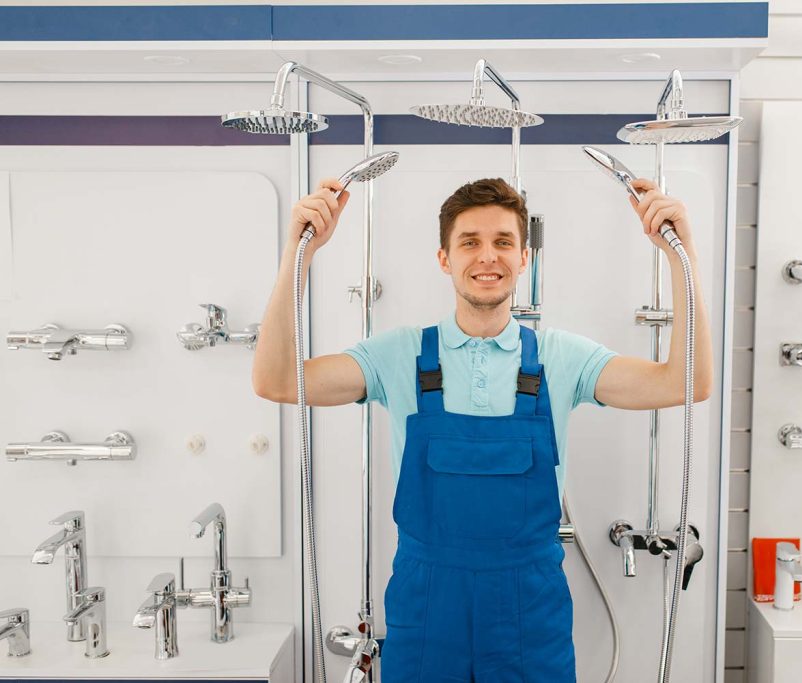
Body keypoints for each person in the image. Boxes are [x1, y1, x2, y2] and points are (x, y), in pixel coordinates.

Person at [253, 176, 712, 682]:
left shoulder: (561, 358)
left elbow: (686, 382)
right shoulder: (398, 355)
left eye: (503, 242)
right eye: (469, 242)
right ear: (445, 258)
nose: (487, 256)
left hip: (528, 611)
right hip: (427, 607)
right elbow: (276, 380)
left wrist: (680, 253)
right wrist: (300, 255)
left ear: (524, 259)